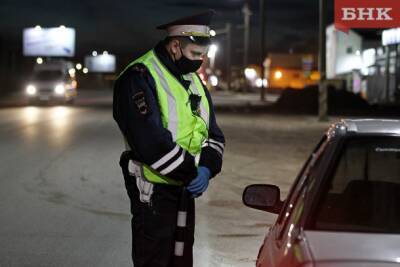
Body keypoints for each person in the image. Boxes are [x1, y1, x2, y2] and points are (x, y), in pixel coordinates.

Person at [113, 10, 225, 267]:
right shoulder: (138, 77)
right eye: (196, 54)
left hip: (186, 188)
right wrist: (190, 173)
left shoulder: (193, 80)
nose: (200, 62)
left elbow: (214, 134)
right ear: (175, 46)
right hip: (154, 192)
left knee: (181, 259)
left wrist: (207, 168)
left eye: (203, 55)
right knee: (155, 259)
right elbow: (150, 143)